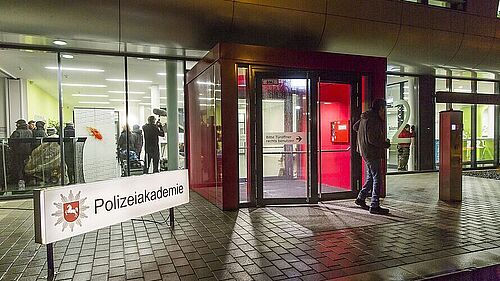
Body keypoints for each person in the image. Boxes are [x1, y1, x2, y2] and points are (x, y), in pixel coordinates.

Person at [353, 99, 391, 215]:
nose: (384, 111)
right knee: (377, 178)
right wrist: (384, 144)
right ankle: (375, 205)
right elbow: (372, 139)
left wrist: (362, 134)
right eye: (384, 108)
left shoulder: (365, 117)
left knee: (371, 177)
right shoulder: (374, 119)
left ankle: (361, 198)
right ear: (380, 108)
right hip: (372, 152)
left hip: (364, 151)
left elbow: (355, 127)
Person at [9, 119, 33, 189]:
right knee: (27, 165)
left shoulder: (16, 132)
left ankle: (21, 180)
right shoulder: (29, 132)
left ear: (19, 124)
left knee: (19, 166)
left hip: (18, 152)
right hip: (28, 152)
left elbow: (11, 142)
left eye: (17, 124)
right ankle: (28, 179)